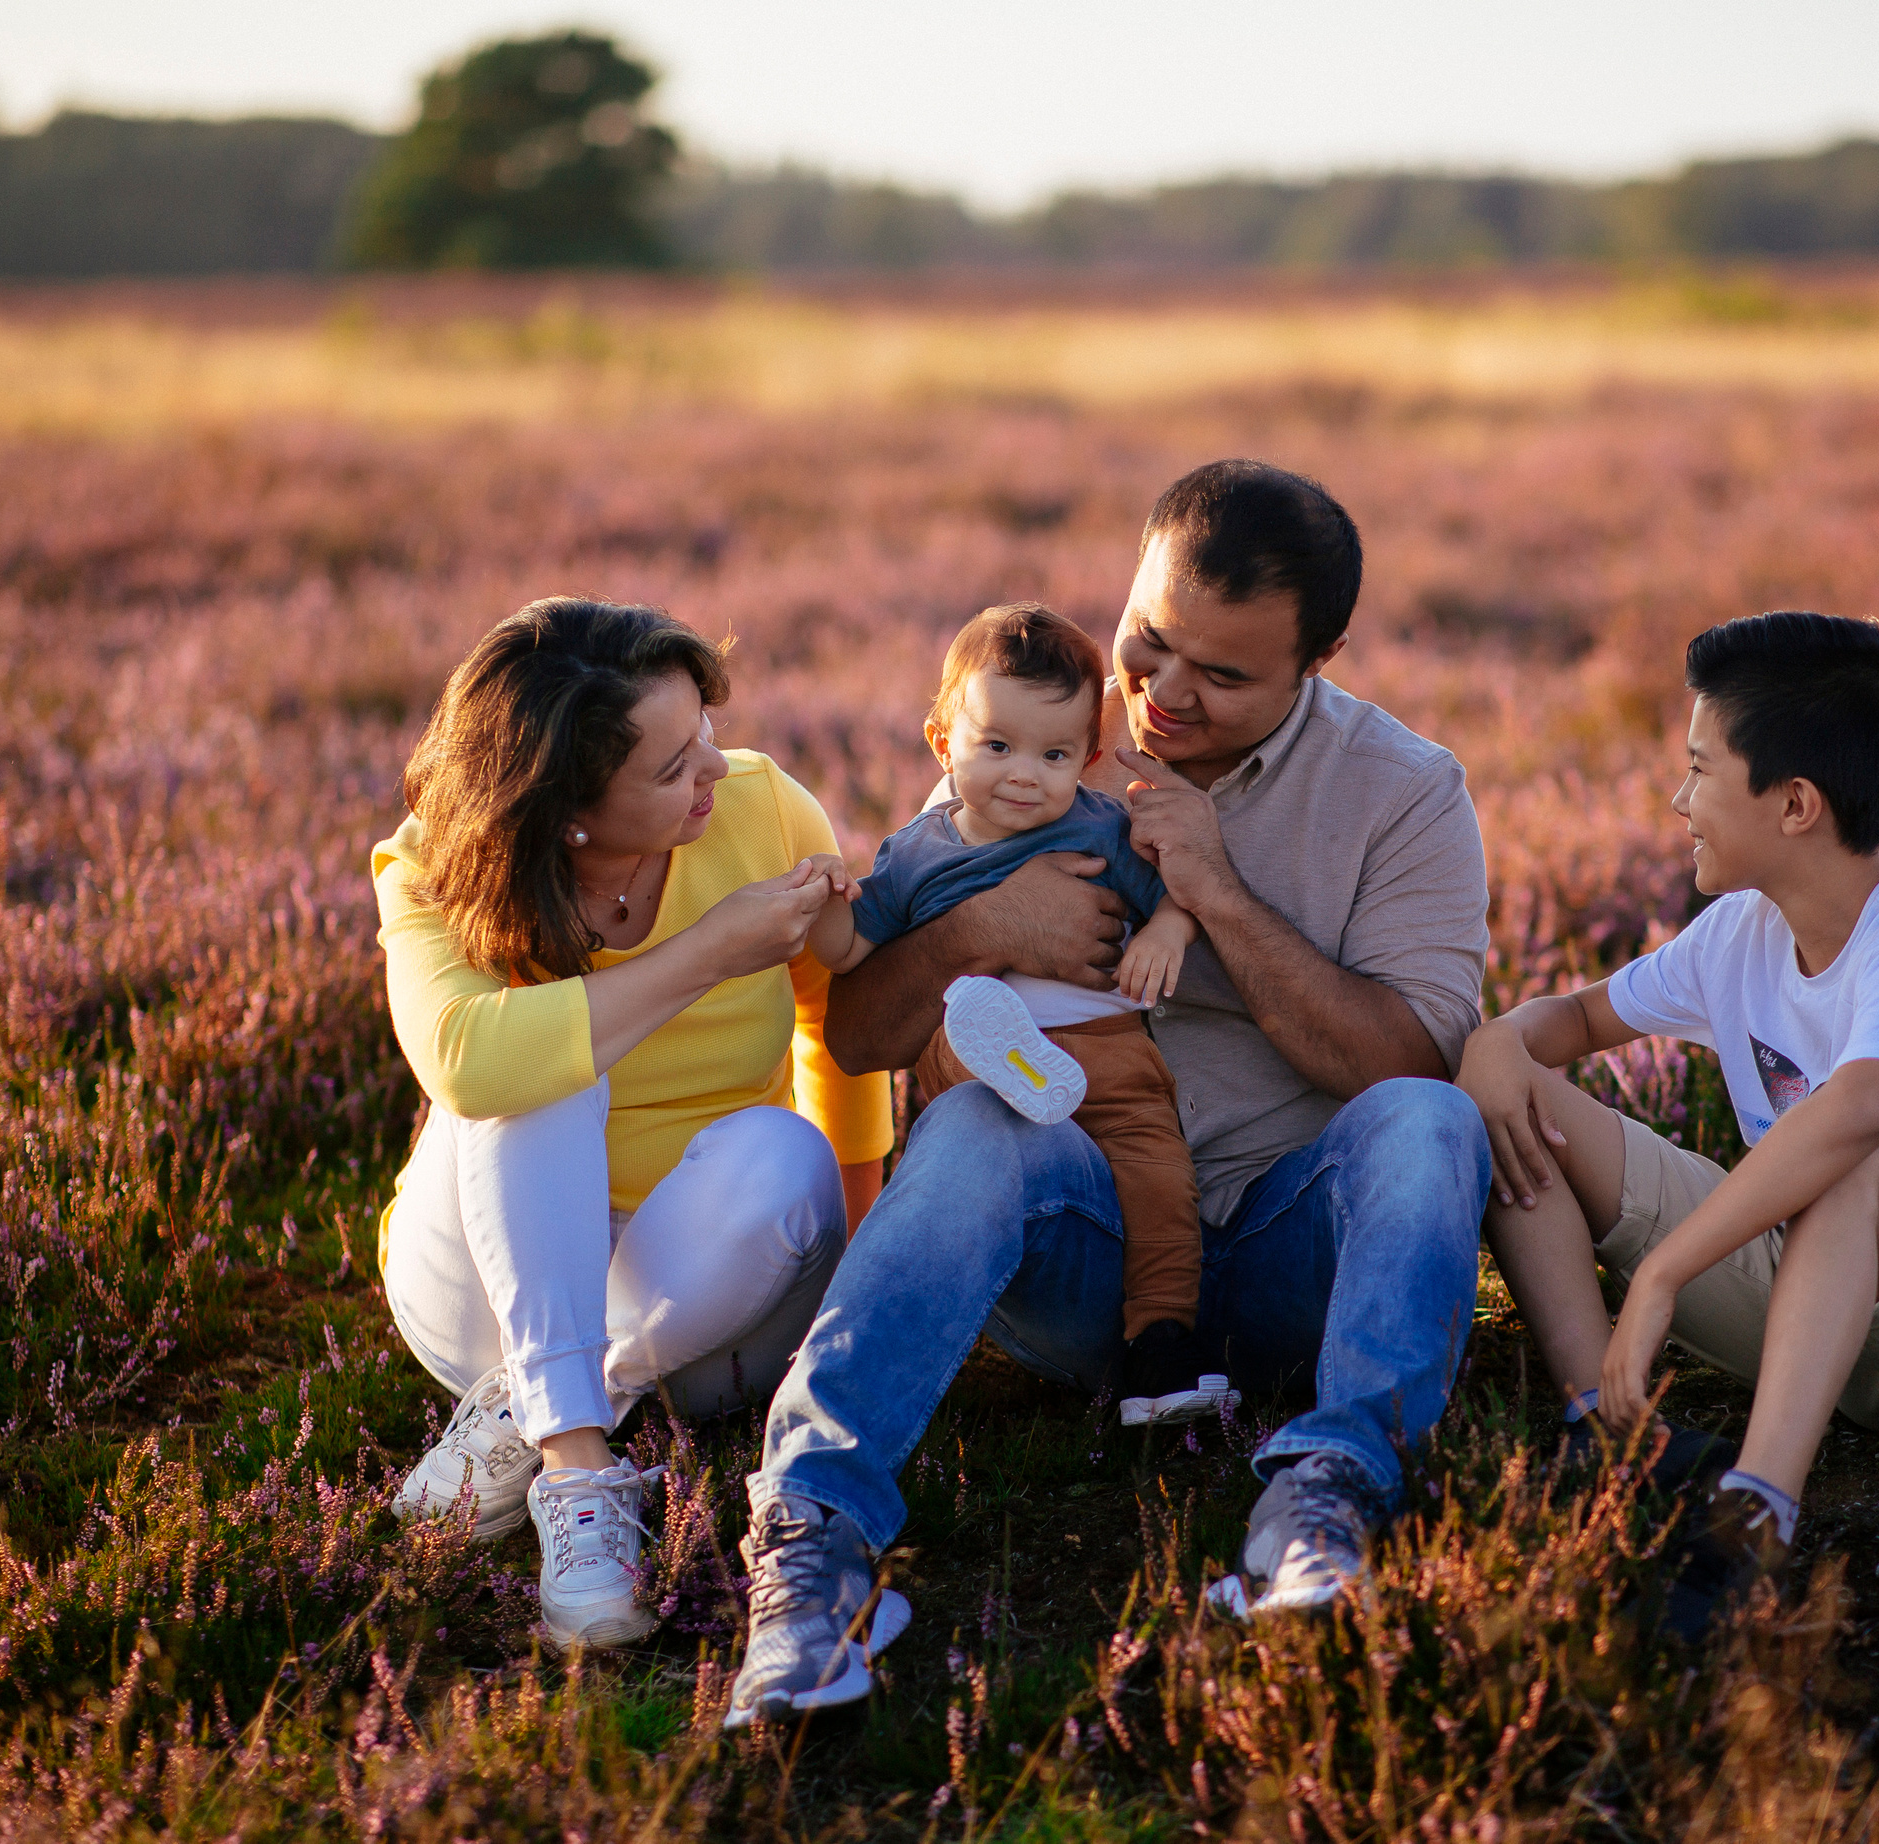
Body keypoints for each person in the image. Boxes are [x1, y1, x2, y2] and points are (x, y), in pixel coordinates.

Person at [721, 460, 1494, 1726]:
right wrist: (979, 929)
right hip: (1085, 1244)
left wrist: (1216, 892)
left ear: (1320, 659)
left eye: (1222, 673)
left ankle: (1329, 1498)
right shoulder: (1039, 736)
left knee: (1432, 1119)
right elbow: (858, 1036)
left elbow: (1402, 1063)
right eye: (1150, 639)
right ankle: (811, 1538)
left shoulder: (1404, 790)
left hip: (1289, 1249)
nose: (1163, 693)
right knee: (975, 1118)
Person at [1460, 611, 1879, 1639]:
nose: (1677, 799)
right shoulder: (1740, 930)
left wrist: (1661, 1274)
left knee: (1842, 1154)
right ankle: (1604, 1428)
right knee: (1515, 1095)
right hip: (1806, 1293)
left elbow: (1861, 1108)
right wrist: (1494, 1044)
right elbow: (1576, 1019)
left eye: (1699, 769)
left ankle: (1755, 1516)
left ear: (1793, 803)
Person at [373, 598, 892, 1650]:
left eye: (704, 727)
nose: (716, 767)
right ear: (565, 810)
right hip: (478, 1288)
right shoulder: (440, 862)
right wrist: (708, 952)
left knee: (785, 1150)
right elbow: (469, 1060)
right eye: (670, 767)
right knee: (538, 1066)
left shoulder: (761, 808)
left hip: (704, 1295)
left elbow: (831, 1022)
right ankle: (576, 1469)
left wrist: (859, 1242)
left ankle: (528, 1408)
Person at [797, 601, 1229, 1427]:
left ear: (1088, 759)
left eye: (1054, 754)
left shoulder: (1103, 829)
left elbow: (1179, 895)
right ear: (943, 744)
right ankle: (1004, 1058)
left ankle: (1164, 1339)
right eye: (997, 746)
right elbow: (851, 950)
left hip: (1106, 1050)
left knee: (1160, 1178)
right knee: (965, 1048)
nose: (1025, 774)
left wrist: (1165, 932)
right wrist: (823, 903)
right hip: (975, 1057)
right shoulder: (919, 851)